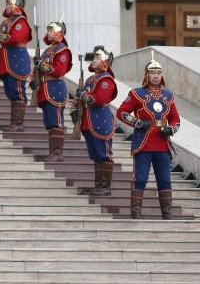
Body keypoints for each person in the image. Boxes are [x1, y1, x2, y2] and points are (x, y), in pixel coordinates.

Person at [116, 57, 181, 219]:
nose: (156, 76)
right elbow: (121, 112)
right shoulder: (136, 94)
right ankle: (136, 214)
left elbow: (175, 119)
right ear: (146, 75)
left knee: (165, 180)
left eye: (159, 73)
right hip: (143, 144)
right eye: (152, 73)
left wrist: (170, 129)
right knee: (141, 179)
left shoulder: (168, 96)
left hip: (162, 145)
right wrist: (138, 122)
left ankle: (167, 215)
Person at [75, 45, 118, 197]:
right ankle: (98, 186)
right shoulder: (90, 79)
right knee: (95, 155)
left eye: (98, 57)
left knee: (103, 154)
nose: (94, 60)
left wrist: (83, 96)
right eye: (94, 57)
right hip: (89, 119)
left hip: (100, 119)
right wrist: (76, 108)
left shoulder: (106, 79)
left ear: (106, 60)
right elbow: (82, 99)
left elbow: (100, 99)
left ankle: (105, 187)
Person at [0, 0, 32, 131]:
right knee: (10, 91)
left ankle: (18, 123)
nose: (7, 6)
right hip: (7, 60)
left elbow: (16, 38)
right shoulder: (6, 22)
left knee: (17, 91)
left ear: (17, 6)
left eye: (10, 4)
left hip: (16, 59)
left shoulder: (20, 21)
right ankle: (13, 122)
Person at [33, 20, 73, 162]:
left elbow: (59, 70)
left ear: (59, 33)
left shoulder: (62, 50)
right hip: (46, 87)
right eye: (48, 30)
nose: (48, 33)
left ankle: (57, 153)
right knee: (50, 122)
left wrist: (41, 65)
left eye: (51, 30)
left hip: (55, 88)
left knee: (56, 122)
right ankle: (53, 152)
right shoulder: (48, 50)